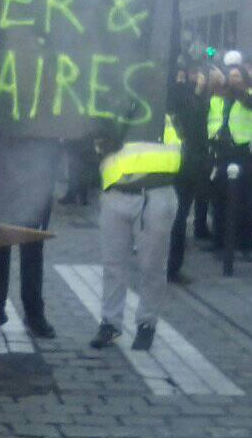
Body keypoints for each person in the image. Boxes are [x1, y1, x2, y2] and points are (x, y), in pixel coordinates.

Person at [89, 108, 181, 351]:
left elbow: (181, 153)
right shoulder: (110, 113)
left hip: (154, 194)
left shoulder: (165, 114)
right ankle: (110, 323)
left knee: (151, 265)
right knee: (112, 264)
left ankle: (147, 323)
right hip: (116, 193)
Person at [0, 135, 60, 338]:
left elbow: (51, 150)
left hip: (32, 189)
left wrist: (46, 194)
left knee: (31, 257)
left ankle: (33, 314)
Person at [206, 64, 252, 261]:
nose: (233, 79)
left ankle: (246, 245)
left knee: (246, 201)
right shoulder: (218, 97)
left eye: (237, 75)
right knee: (221, 200)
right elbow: (211, 119)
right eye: (230, 76)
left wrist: (237, 88)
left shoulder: (250, 94)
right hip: (223, 150)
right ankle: (219, 242)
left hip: (246, 151)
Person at [167, 62, 211, 283]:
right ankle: (171, 267)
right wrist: (197, 91)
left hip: (184, 164)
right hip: (179, 164)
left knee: (178, 216)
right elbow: (193, 119)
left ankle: (171, 266)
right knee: (177, 216)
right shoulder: (185, 99)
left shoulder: (187, 98)